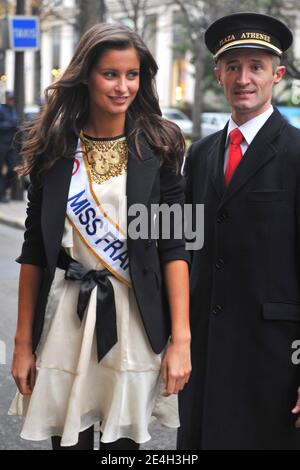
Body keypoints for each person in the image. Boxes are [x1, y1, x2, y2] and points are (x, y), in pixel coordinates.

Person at [9, 23, 191, 450]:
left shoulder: (161, 145)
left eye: (132, 75)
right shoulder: (53, 149)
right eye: (110, 74)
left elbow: (175, 245)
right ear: (86, 75)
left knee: (122, 450)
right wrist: (22, 344)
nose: (123, 86)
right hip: (68, 316)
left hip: (134, 316)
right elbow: (34, 252)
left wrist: (180, 339)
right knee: (67, 442)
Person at [177, 11, 300, 450]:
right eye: (233, 66)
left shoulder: (295, 153)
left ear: (277, 75)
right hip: (204, 354)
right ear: (219, 74)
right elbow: (184, 244)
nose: (243, 78)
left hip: (273, 358)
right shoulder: (202, 154)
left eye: (256, 67)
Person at [0, 91, 19, 202]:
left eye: (12, 99)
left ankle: (4, 191)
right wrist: (10, 124)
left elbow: (16, 121)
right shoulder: (1, 109)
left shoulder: (12, 109)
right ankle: (1, 195)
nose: (12, 100)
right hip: (1, 144)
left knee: (13, 169)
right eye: (10, 98)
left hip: (10, 145)